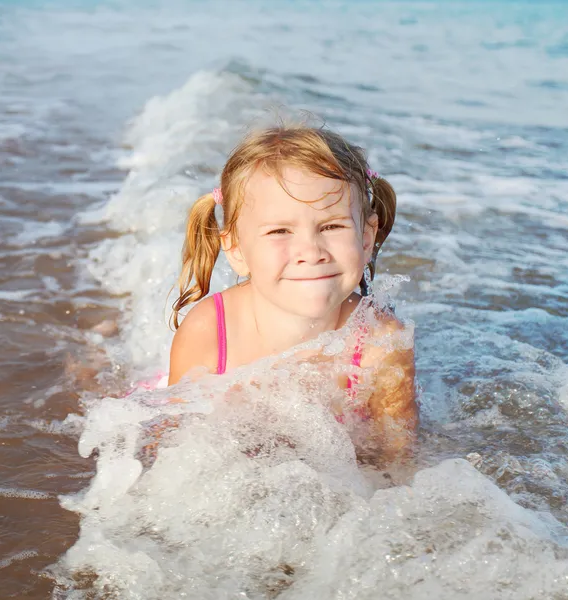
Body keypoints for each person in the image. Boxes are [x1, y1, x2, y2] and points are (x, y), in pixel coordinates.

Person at [167, 125, 417, 445]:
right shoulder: (210, 331)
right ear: (236, 249)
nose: (311, 252)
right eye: (280, 231)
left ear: (366, 238)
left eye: (331, 226)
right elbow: (172, 449)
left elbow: (398, 462)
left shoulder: (381, 342)